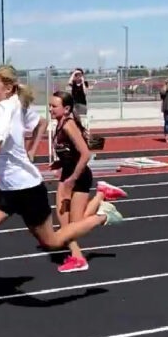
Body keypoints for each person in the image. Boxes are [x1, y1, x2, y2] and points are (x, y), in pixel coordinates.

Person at [0, 66, 125, 325]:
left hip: (26, 189)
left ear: (8, 88)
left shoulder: (5, 110)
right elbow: (41, 123)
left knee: (53, 242)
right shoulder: (17, 103)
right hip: (7, 188)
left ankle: (102, 215)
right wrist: (30, 150)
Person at [49, 91, 127, 273]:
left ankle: (103, 214)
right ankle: (78, 258)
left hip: (79, 177)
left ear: (66, 109)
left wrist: (73, 178)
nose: (50, 109)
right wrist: (60, 162)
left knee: (72, 226)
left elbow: (85, 154)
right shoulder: (59, 125)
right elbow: (70, 152)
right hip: (67, 176)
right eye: (50, 105)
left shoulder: (68, 125)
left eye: (54, 106)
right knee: (70, 225)